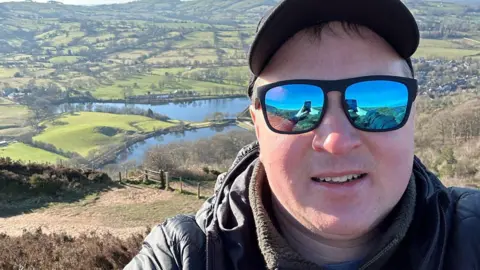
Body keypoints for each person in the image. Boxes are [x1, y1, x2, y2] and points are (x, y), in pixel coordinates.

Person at [125, 0, 480, 269]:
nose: (336, 140)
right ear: (257, 125)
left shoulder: (472, 232)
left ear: (413, 115)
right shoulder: (184, 255)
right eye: (293, 102)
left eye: (375, 103)